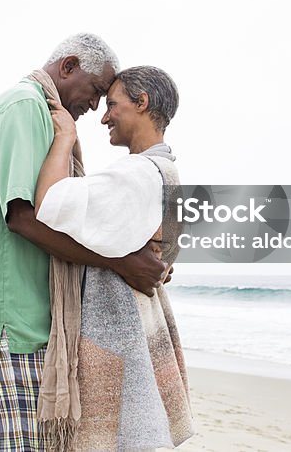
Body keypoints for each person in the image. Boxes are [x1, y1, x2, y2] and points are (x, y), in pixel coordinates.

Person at [0, 34, 168, 452]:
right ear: (68, 67)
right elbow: (24, 217)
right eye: (97, 90)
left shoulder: (41, 113)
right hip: (5, 319)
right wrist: (120, 262)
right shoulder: (25, 107)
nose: (96, 107)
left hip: (23, 317)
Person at [35, 66, 194, 451]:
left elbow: (50, 204)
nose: (104, 116)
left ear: (142, 103)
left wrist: (65, 138)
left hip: (115, 336)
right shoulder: (170, 173)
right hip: (139, 332)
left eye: (112, 105)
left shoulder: (139, 174)